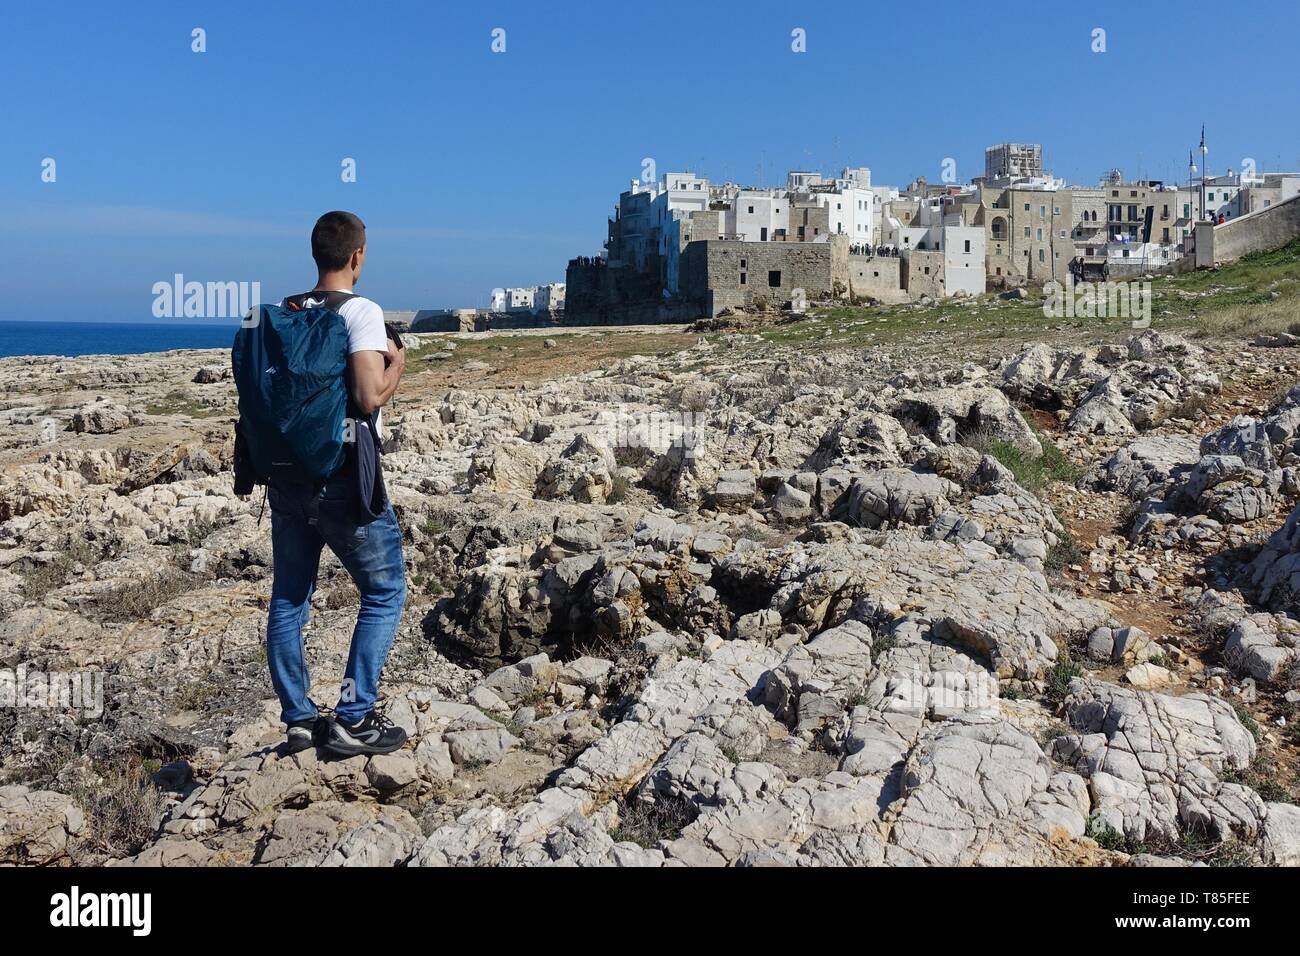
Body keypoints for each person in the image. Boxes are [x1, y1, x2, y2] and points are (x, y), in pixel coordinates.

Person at [268, 211, 409, 757]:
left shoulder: (286, 312)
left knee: (288, 598)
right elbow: (369, 395)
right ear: (358, 257)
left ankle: (300, 720)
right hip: (345, 477)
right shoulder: (362, 312)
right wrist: (398, 363)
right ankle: (353, 715)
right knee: (383, 591)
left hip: (287, 479)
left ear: (315, 254)